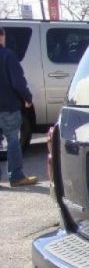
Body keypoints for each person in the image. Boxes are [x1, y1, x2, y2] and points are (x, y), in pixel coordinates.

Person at [0, 27, 37, 186]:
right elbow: (17, 82)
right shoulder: (7, 55)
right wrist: (27, 98)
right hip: (7, 105)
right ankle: (16, 177)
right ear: (1, 36)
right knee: (13, 140)